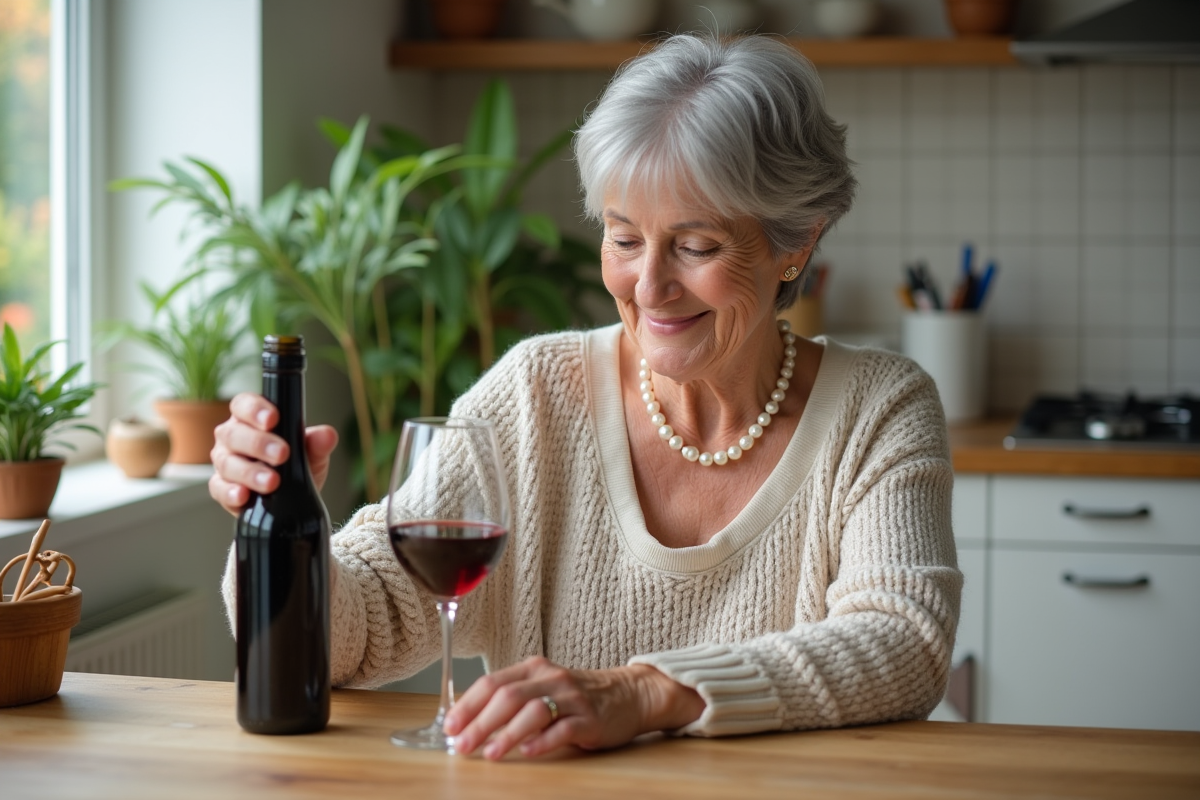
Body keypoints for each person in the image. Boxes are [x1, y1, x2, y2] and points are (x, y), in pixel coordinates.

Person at [211, 33, 961, 760]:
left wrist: (642, 692)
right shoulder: (535, 394)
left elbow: (903, 641)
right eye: (624, 238)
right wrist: (276, 529)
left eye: (697, 246)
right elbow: (360, 626)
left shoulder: (879, 407)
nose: (650, 285)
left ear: (795, 243)